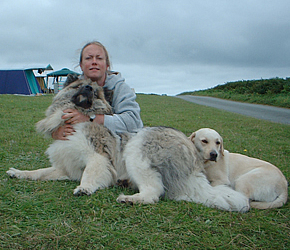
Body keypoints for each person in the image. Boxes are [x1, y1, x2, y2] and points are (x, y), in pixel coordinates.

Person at [52, 41, 143, 140]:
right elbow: (52, 117)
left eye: (99, 58)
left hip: (116, 147)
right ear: (81, 65)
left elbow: (134, 124)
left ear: (107, 65)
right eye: (88, 58)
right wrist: (56, 132)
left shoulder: (120, 88)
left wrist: (91, 118)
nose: (94, 62)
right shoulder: (71, 87)